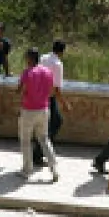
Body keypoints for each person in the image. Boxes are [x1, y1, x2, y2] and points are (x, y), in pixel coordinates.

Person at [17, 48, 59, 181]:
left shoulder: (27, 73)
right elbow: (52, 91)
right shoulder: (47, 72)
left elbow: (20, 90)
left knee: (26, 141)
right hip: (44, 109)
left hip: (29, 110)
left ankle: (27, 170)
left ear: (29, 58)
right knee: (44, 139)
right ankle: (54, 169)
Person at [33, 39, 69, 167]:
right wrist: (64, 103)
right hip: (49, 97)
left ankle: (39, 151)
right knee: (56, 122)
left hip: (37, 95)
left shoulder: (43, 58)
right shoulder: (57, 64)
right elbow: (57, 88)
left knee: (46, 124)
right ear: (62, 51)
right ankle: (40, 152)